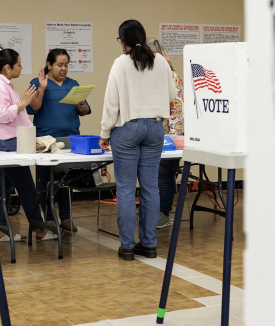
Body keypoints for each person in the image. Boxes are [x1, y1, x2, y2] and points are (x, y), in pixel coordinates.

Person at [99, 20, 176, 261]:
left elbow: (111, 102)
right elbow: (173, 94)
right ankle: (150, 245)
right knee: (151, 186)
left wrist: (104, 132)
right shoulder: (161, 61)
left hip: (127, 129)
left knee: (125, 188)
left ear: (123, 42)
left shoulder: (120, 63)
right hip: (155, 128)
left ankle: (128, 247)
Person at [0, 49, 57, 242]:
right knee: (26, 187)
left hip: (7, 143)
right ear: (7, 67)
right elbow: (3, 115)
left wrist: (24, 103)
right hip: (6, 144)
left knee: (3, 189)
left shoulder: (2, 84)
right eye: (19, 64)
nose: (21, 67)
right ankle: (40, 228)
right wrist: (23, 103)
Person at [27, 49, 91, 232]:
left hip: (70, 139)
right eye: (59, 65)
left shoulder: (73, 84)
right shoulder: (38, 82)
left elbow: (85, 111)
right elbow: (33, 108)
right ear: (49, 65)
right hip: (46, 140)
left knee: (66, 180)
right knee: (45, 180)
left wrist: (82, 106)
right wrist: (41, 87)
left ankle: (66, 217)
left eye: (66, 65)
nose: (63, 69)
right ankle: (48, 217)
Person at [146, 38, 184, 229]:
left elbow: (177, 111)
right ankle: (154, 212)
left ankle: (162, 214)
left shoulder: (172, 76)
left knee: (164, 174)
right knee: (153, 176)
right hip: (152, 133)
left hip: (170, 136)